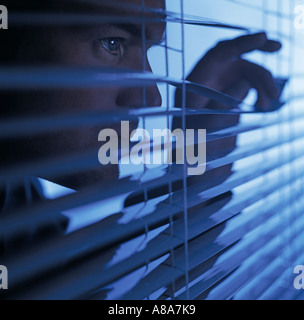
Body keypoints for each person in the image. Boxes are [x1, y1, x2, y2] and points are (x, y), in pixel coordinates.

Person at [0, 0, 282, 298]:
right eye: (112, 44)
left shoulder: (21, 215)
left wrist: (198, 169)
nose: (151, 97)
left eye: (147, 51)